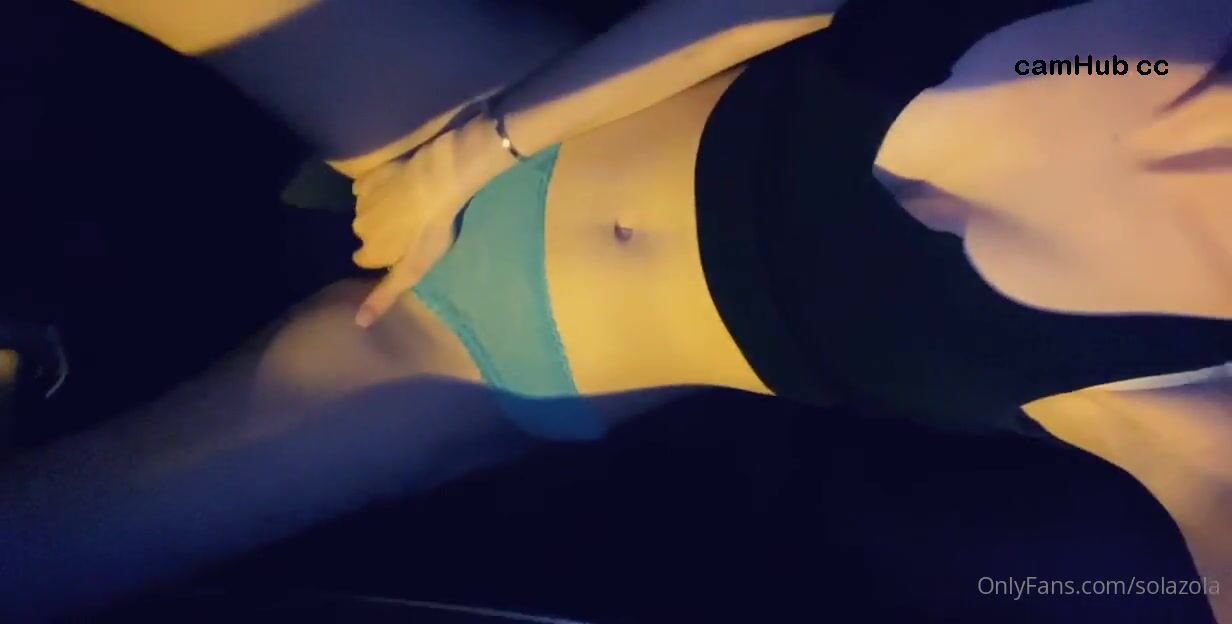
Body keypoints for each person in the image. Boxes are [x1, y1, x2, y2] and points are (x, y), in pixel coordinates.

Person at [3, 0, 1229, 621]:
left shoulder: (1194, 392)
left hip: (484, 362)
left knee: (38, 558)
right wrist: (472, 151)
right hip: (472, 107)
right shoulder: (1164, 38)